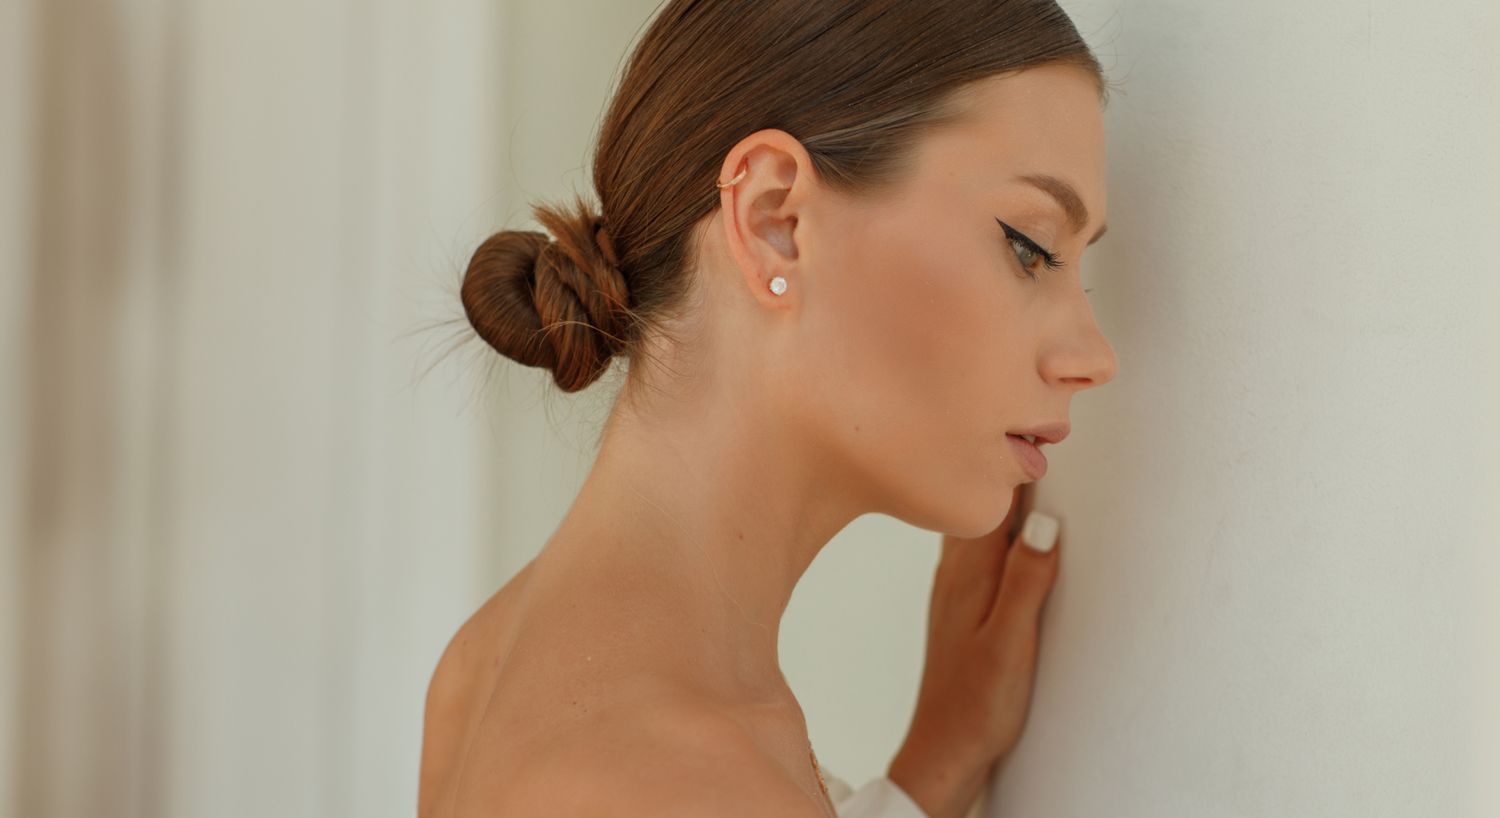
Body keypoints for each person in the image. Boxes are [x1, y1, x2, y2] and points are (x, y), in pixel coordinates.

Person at [418, 2, 1118, 816]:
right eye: (1030, 247)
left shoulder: (481, 668)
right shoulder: (677, 786)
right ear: (775, 219)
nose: (1093, 357)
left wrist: (934, 767)